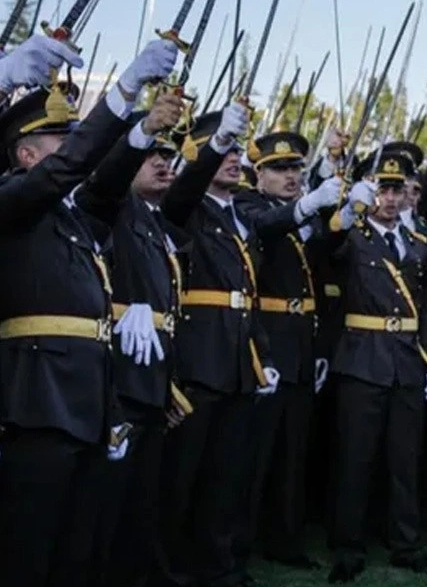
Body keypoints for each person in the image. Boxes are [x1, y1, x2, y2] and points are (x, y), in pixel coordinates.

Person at [0, 36, 178, 587]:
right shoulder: (14, 199)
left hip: (87, 398)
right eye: (61, 139)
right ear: (26, 155)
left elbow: (101, 182)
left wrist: (142, 130)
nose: (74, 149)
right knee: (30, 549)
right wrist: (122, 91)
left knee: (76, 549)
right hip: (36, 398)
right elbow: (70, 171)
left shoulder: (73, 219)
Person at [157, 102, 279, 587]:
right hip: (198, 360)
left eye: (234, 151)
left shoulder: (237, 216)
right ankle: (171, 572)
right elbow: (185, 187)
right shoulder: (185, 205)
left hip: (236, 361)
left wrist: (262, 356)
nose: (232, 159)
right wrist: (215, 145)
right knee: (182, 479)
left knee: (226, 477)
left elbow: (247, 296)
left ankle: (220, 565)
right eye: (219, 150)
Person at [78, 103, 190, 587]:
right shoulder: (111, 205)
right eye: (152, 156)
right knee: (107, 497)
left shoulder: (154, 220)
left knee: (142, 494)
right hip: (117, 375)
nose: (163, 162)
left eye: (169, 155)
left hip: (151, 374)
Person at [324, 150, 427, 582]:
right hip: (363, 357)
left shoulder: (416, 244)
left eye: (397, 190)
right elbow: (326, 246)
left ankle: (405, 544)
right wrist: (346, 208)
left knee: (404, 458)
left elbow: (426, 306)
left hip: (407, 360)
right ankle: (348, 546)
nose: (391, 199)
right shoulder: (353, 235)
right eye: (383, 190)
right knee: (356, 458)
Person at [233, 131, 342, 570]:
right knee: (255, 456)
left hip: (298, 342)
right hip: (267, 343)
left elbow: (319, 252)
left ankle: (285, 538)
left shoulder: (297, 217)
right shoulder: (249, 206)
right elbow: (269, 227)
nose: (291, 176)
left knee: (292, 454)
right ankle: (239, 547)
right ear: (258, 175)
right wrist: (310, 205)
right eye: (280, 169)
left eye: (296, 168)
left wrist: (342, 213)